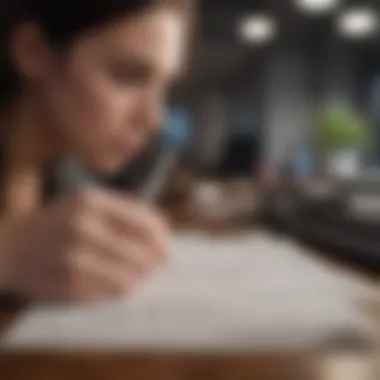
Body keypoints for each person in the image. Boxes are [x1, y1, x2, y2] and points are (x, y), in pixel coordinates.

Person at [0, 0, 195, 302]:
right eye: (128, 75)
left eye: (163, 86)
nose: (154, 118)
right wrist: (8, 256)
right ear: (33, 51)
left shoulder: (58, 177)